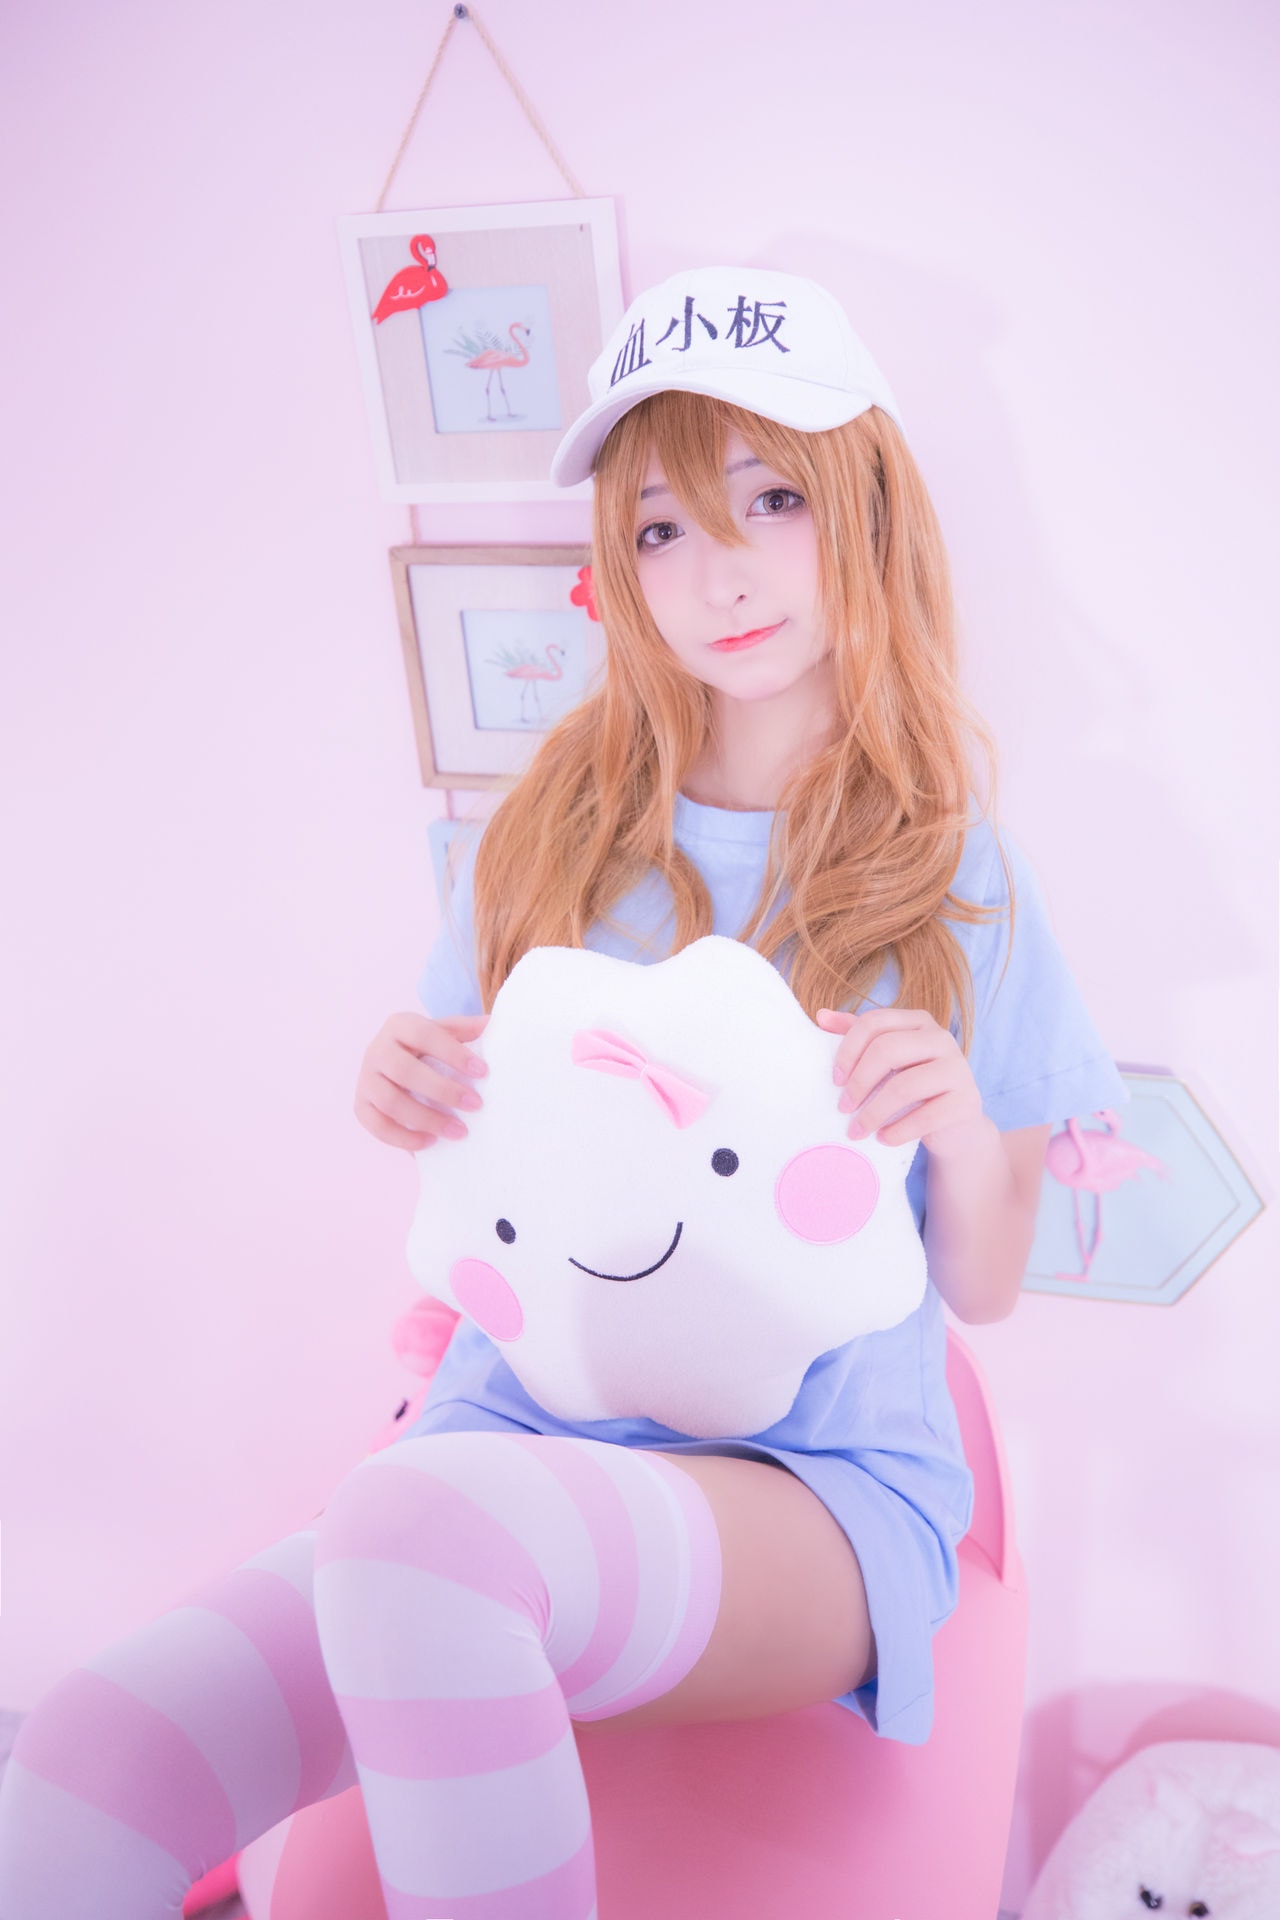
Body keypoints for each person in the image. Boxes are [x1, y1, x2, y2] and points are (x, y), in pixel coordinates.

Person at [0, 267, 1125, 1920]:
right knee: (93, 1757)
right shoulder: (554, 828)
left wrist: (955, 1117)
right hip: (512, 1426)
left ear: (868, 508)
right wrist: (404, 1082)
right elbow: (486, 1147)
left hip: (807, 1477)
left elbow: (991, 1281)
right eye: (661, 529)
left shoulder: (959, 873)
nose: (719, 571)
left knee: (426, 1530)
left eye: (772, 499)